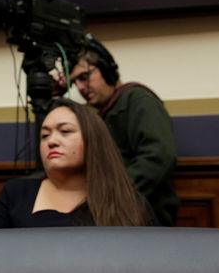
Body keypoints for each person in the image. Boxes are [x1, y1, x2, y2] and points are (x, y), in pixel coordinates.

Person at [0, 98, 152, 228]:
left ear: (92, 140)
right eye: (44, 135)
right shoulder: (15, 194)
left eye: (65, 131)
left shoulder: (129, 202)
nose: (52, 141)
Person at [68, 33, 180, 226]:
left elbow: (160, 156)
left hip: (142, 217)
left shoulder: (137, 99)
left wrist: (113, 195)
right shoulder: (101, 114)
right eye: (75, 82)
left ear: (106, 70)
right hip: (111, 215)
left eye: (85, 77)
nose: (80, 88)